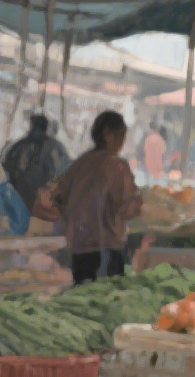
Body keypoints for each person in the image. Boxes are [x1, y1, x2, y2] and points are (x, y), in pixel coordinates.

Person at [32, 111, 142, 284]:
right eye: (120, 136)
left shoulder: (79, 164)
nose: (122, 142)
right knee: (108, 300)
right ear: (108, 135)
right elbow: (129, 209)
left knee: (84, 298)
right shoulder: (117, 166)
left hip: (79, 250)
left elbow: (50, 200)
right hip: (108, 249)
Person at [2, 114, 71, 213]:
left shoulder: (20, 144)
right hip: (47, 203)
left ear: (32, 126)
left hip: (20, 201)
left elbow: (6, 169)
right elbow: (65, 171)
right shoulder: (56, 146)